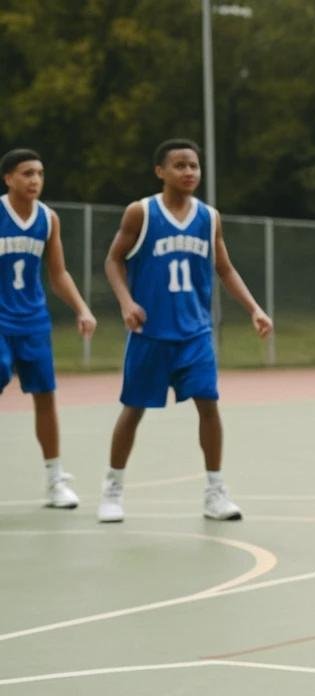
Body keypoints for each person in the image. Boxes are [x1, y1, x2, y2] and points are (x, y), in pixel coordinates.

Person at [96, 139, 273, 524]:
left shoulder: (209, 217)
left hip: (195, 334)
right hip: (151, 333)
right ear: (160, 171)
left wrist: (254, 309)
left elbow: (224, 268)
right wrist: (127, 303)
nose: (189, 172)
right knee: (134, 410)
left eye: (194, 165)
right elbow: (113, 261)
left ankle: (215, 491)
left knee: (208, 405)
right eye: (179, 165)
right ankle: (113, 488)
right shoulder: (141, 212)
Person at [0, 148, 97, 508]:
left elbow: (58, 274)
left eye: (39, 173)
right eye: (27, 173)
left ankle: (55, 479)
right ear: (8, 178)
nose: (35, 180)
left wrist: (81, 308)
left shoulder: (47, 219)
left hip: (33, 322)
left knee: (45, 397)